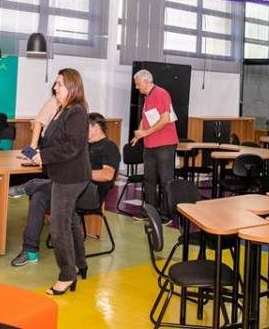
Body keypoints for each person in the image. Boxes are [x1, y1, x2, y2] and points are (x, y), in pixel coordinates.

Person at [11, 112, 120, 269]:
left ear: (95, 127)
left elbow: (107, 175)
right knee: (39, 196)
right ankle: (30, 251)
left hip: (90, 194)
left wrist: (79, 171)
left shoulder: (108, 147)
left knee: (47, 185)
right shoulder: (82, 146)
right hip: (70, 189)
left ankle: (28, 186)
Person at [29, 68, 90, 296]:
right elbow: (54, 140)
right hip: (63, 174)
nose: (55, 87)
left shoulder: (77, 113)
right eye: (55, 83)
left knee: (59, 227)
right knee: (70, 221)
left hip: (71, 177)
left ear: (72, 87)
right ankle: (80, 264)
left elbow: (72, 146)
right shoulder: (62, 109)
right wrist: (38, 152)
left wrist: (44, 156)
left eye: (59, 84)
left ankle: (66, 275)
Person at [131, 69, 179, 221]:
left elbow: (165, 119)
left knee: (166, 180)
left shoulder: (161, 93)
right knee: (149, 180)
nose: (136, 87)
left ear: (146, 82)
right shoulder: (148, 97)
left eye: (138, 84)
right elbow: (146, 118)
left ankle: (166, 214)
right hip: (150, 145)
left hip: (164, 144)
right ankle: (150, 212)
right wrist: (139, 134)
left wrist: (145, 132)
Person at [30, 82, 59, 149]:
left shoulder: (77, 108)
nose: (55, 87)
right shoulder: (53, 101)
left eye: (60, 85)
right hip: (49, 145)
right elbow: (38, 122)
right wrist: (33, 146)